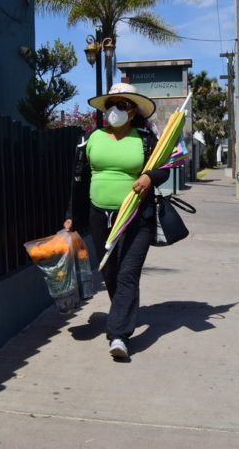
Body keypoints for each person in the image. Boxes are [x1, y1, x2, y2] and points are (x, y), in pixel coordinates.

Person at [64, 83, 169, 359]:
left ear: (133, 111)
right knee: (109, 273)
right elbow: (79, 179)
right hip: (100, 217)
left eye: (121, 105)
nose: (114, 110)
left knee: (127, 273)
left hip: (137, 217)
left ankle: (118, 335)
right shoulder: (91, 139)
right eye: (110, 104)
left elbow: (164, 168)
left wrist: (149, 177)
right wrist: (71, 215)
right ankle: (122, 314)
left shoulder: (145, 139)